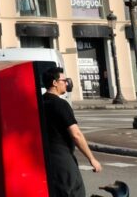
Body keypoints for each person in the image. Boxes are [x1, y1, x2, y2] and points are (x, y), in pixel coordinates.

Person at [40, 66, 101, 197]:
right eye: (64, 80)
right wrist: (92, 158)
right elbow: (76, 134)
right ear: (55, 83)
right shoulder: (60, 104)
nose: (66, 83)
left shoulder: (39, 102)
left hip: (45, 159)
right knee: (75, 192)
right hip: (63, 159)